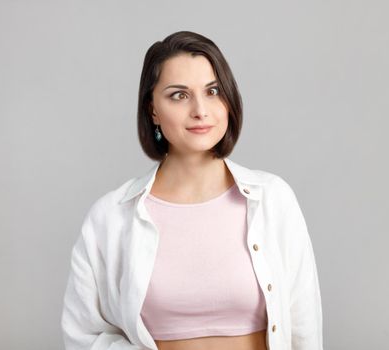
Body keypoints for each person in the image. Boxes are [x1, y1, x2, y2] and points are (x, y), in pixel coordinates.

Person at [61, 30, 323, 350]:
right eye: (179, 95)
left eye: (212, 91)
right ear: (153, 110)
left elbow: (304, 327)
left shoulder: (274, 200)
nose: (200, 109)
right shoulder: (111, 217)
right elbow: (82, 334)